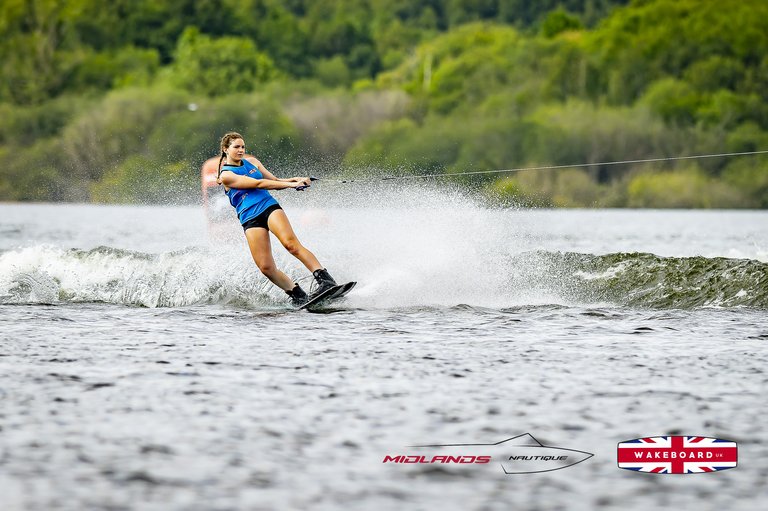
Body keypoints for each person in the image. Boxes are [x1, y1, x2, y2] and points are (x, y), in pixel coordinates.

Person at [216, 131, 337, 306]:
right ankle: (298, 295)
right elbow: (258, 184)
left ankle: (325, 280)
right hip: (249, 219)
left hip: (268, 207)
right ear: (226, 149)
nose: (241, 150)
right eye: (236, 147)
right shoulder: (226, 175)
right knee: (266, 267)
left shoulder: (254, 163)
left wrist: (295, 180)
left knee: (291, 245)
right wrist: (291, 185)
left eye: (243, 147)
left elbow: (274, 181)